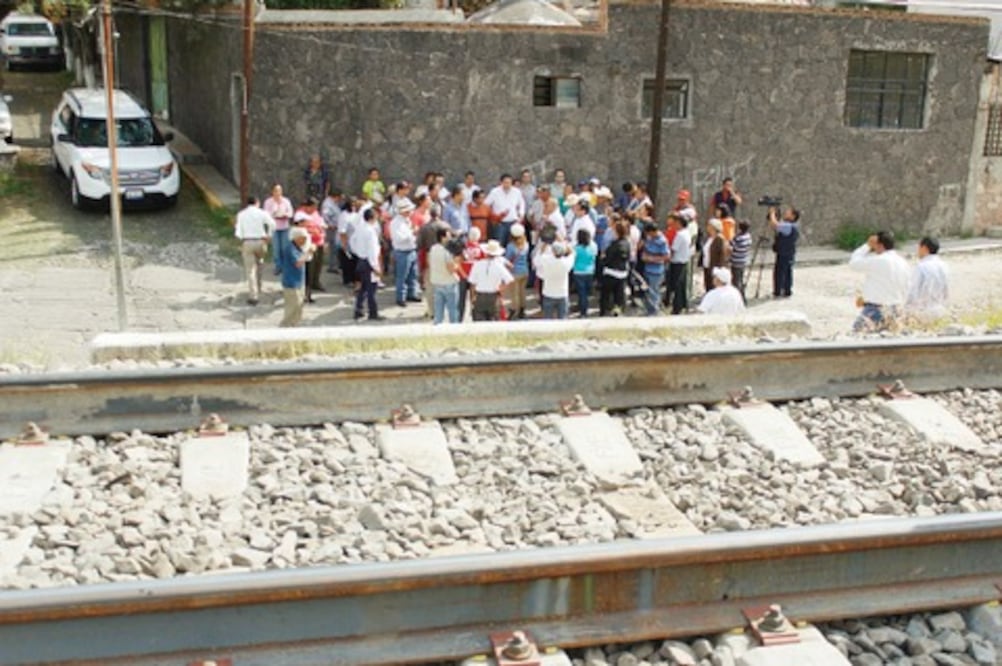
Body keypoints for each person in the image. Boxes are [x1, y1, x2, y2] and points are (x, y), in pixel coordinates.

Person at [850, 230, 911, 332]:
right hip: (897, 309)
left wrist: (867, 245)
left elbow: (854, 263)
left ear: (880, 245)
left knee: (858, 335)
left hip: (876, 309)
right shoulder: (903, 262)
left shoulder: (878, 260)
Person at [233, 197, 274, 305]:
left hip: (247, 242)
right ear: (257, 203)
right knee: (260, 263)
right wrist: (269, 235)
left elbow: (238, 232)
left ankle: (253, 295)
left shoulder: (241, 214)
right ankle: (259, 287)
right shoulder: (262, 213)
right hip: (261, 241)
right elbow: (272, 224)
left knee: (250, 270)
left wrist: (240, 241)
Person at [350, 208, 384, 321]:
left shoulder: (359, 228)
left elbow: (352, 241)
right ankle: (373, 312)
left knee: (363, 288)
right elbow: (373, 251)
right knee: (371, 289)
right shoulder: (370, 231)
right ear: (372, 218)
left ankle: (358, 310)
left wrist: (358, 251)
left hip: (361, 259)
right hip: (369, 262)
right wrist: (375, 267)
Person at [906, 236, 949, 323]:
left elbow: (913, 291)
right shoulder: (944, 265)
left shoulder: (921, 266)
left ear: (924, 248)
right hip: (941, 309)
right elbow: (946, 290)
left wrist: (907, 307)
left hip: (924, 311)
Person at [468, 239, 513, 321]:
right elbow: (509, 279)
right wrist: (501, 288)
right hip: (493, 296)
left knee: (479, 322)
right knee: (494, 322)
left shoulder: (477, 264)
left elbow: (472, 283)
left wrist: (472, 297)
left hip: (480, 296)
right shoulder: (499, 266)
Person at [390, 198, 420, 307]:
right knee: (402, 276)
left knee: (413, 275)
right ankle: (400, 297)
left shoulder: (407, 221)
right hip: (402, 251)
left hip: (411, 250)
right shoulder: (396, 223)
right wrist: (412, 233)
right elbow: (399, 238)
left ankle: (411, 293)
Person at [279, 227, 312, 327]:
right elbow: (298, 263)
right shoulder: (290, 248)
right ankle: (285, 326)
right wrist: (309, 252)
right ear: (296, 238)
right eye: (303, 238)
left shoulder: (299, 248)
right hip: (291, 283)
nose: (305, 240)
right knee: (292, 307)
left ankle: (295, 325)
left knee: (299, 306)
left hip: (299, 282)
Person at [534, 240, 575, 319]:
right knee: (563, 319)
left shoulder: (546, 260)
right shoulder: (566, 263)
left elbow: (537, 260)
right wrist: (564, 242)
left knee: (547, 319)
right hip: (562, 293)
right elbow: (573, 253)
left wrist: (544, 244)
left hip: (548, 293)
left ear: (552, 251)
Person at [428, 227, 461, 324]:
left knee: (438, 313)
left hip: (437, 282)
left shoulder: (433, 249)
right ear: (442, 237)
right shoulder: (446, 252)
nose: (450, 238)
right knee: (453, 311)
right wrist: (458, 263)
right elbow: (451, 269)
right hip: (449, 283)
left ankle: (437, 330)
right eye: (448, 236)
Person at [600, 217, 630, 316]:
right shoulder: (627, 243)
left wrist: (603, 259)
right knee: (618, 295)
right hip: (622, 273)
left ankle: (604, 312)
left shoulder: (614, 245)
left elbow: (607, 258)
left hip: (611, 272)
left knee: (606, 294)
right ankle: (617, 310)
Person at [484, 174, 526, 246]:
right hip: (500, 223)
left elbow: (522, 204)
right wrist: (493, 217)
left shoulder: (517, 192)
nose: (507, 185)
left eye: (509, 182)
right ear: (501, 182)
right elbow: (486, 204)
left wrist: (521, 215)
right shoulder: (495, 192)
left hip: (513, 222)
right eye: (505, 182)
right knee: (499, 243)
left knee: (512, 244)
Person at [769, 205, 800, 298]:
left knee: (780, 272)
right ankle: (787, 290)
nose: (786, 213)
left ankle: (778, 291)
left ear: (793, 216)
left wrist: (772, 213)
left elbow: (775, 225)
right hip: (789, 252)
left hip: (783, 253)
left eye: (788, 212)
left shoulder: (788, 226)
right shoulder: (793, 225)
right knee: (787, 272)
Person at [264, 184, 294, 276]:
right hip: (274, 228)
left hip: (284, 226)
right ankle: (278, 266)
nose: (278, 193)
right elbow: (266, 214)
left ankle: (285, 266)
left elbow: (291, 212)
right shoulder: (268, 202)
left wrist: (285, 215)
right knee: (276, 249)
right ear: (272, 192)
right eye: (276, 191)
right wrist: (274, 213)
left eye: (279, 190)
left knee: (284, 248)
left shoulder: (286, 201)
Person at [640, 222, 669, 316]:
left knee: (654, 291)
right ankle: (648, 309)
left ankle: (654, 311)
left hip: (656, 271)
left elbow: (666, 256)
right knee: (647, 291)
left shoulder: (662, 241)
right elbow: (645, 249)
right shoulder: (650, 239)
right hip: (647, 268)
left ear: (653, 232)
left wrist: (652, 259)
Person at [504, 223, 531, 319]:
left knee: (514, 293)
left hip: (515, 272)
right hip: (525, 271)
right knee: (522, 292)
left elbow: (507, 259)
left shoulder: (510, 246)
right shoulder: (526, 244)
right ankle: (522, 309)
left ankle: (514, 310)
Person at [666, 213, 691, 315]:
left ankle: (677, 307)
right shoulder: (687, 233)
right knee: (682, 285)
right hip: (684, 261)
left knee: (677, 286)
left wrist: (667, 258)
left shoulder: (680, 235)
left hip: (677, 262)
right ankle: (684, 304)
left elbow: (673, 249)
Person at [459, 226, 485, 322]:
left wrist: (462, 273)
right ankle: (475, 318)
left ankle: (459, 319)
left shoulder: (463, 248)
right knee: (474, 299)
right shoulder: (481, 249)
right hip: (475, 278)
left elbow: (458, 261)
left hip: (462, 275)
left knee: (460, 300)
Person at [572, 228, 598, 317]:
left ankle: (583, 311)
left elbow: (573, 259)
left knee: (581, 293)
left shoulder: (576, 248)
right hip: (590, 271)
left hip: (579, 272)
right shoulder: (593, 246)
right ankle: (584, 308)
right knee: (586, 293)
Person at [701, 217, 730, 295]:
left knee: (714, 286)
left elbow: (723, 254)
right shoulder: (710, 238)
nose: (707, 227)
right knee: (708, 285)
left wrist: (719, 268)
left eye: (709, 226)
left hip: (715, 266)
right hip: (707, 265)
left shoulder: (720, 239)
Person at [730, 220, 752, 302]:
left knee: (736, 281)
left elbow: (731, 246)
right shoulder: (748, 236)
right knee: (740, 280)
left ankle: (739, 299)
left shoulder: (738, 238)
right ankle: (742, 297)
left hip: (736, 261)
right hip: (743, 261)